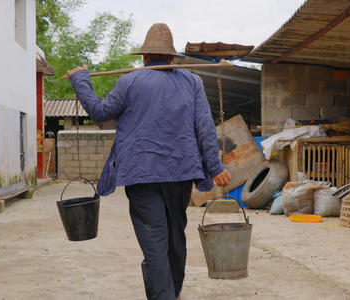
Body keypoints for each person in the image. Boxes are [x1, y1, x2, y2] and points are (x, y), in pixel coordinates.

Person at [66, 23, 231, 300]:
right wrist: (216, 167)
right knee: (175, 239)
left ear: (144, 57)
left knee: (155, 244)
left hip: (141, 177)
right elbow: (204, 127)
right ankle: (173, 293)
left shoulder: (129, 81)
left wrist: (81, 78)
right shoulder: (192, 82)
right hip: (180, 175)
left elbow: (99, 112)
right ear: (171, 57)